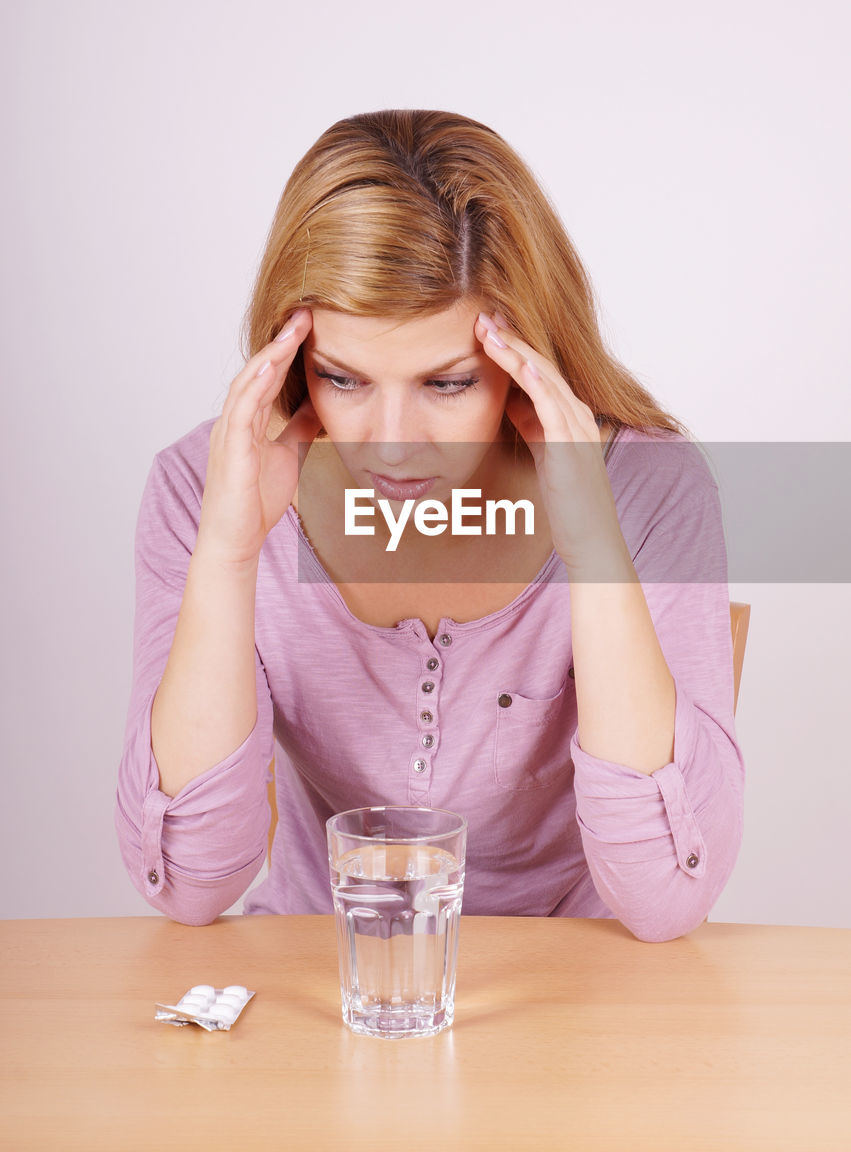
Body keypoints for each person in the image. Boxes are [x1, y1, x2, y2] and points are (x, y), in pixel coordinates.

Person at [115, 109, 744, 942]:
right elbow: (190, 888)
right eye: (342, 378)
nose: (392, 441)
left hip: (586, 999)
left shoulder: (647, 487)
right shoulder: (203, 485)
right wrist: (227, 552)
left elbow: (665, 900)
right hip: (322, 985)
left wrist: (592, 543)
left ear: (527, 360)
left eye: (445, 384)